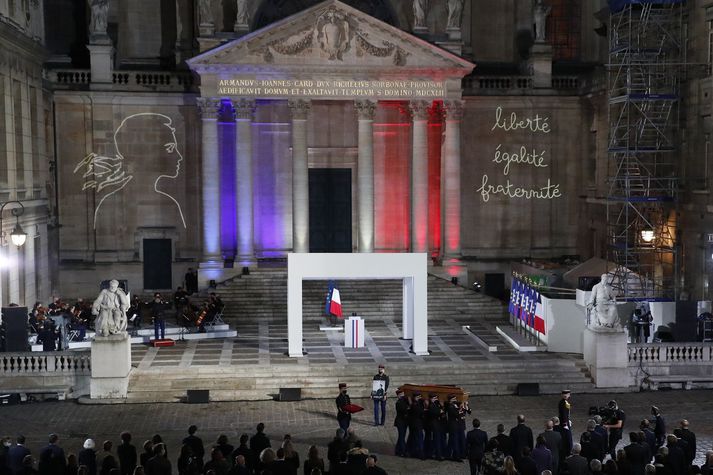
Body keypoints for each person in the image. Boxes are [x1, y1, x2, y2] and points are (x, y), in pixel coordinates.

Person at [426, 393, 446, 460]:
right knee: (436, 440)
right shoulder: (431, 405)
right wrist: (440, 411)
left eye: (436, 398)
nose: (436, 399)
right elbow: (434, 413)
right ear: (431, 399)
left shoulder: (435, 404)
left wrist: (441, 408)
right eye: (434, 398)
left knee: (437, 440)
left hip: (437, 424)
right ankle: (437, 455)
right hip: (433, 425)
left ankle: (435, 454)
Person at [408, 392, 425, 459]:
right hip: (416, 424)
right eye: (418, 397)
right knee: (419, 439)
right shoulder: (414, 404)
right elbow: (420, 412)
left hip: (415, 424)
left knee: (414, 438)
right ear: (415, 397)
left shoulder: (416, 403)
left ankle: (412, 452)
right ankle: (419, 454)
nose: (420, 398)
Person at [393, 389, 409, 457]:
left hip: (404, 422)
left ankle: (397, 450)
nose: (402, 395)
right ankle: (403, 451)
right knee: (402, 437)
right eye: (401, 394)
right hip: (400, 422)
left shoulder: (404, 401)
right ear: (398, 396)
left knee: (401, 436)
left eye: (403, 394)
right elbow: (404, 410)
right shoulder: (399, 403)